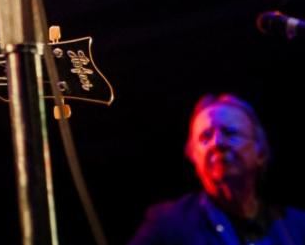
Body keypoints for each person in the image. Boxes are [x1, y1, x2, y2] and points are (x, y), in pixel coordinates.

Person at [128, 93, 305, 245]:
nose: (217, 143)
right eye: (205, 137)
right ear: (193, 156)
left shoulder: (296, 226)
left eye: (230, 132)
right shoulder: (167, 225)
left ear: (260, 152)